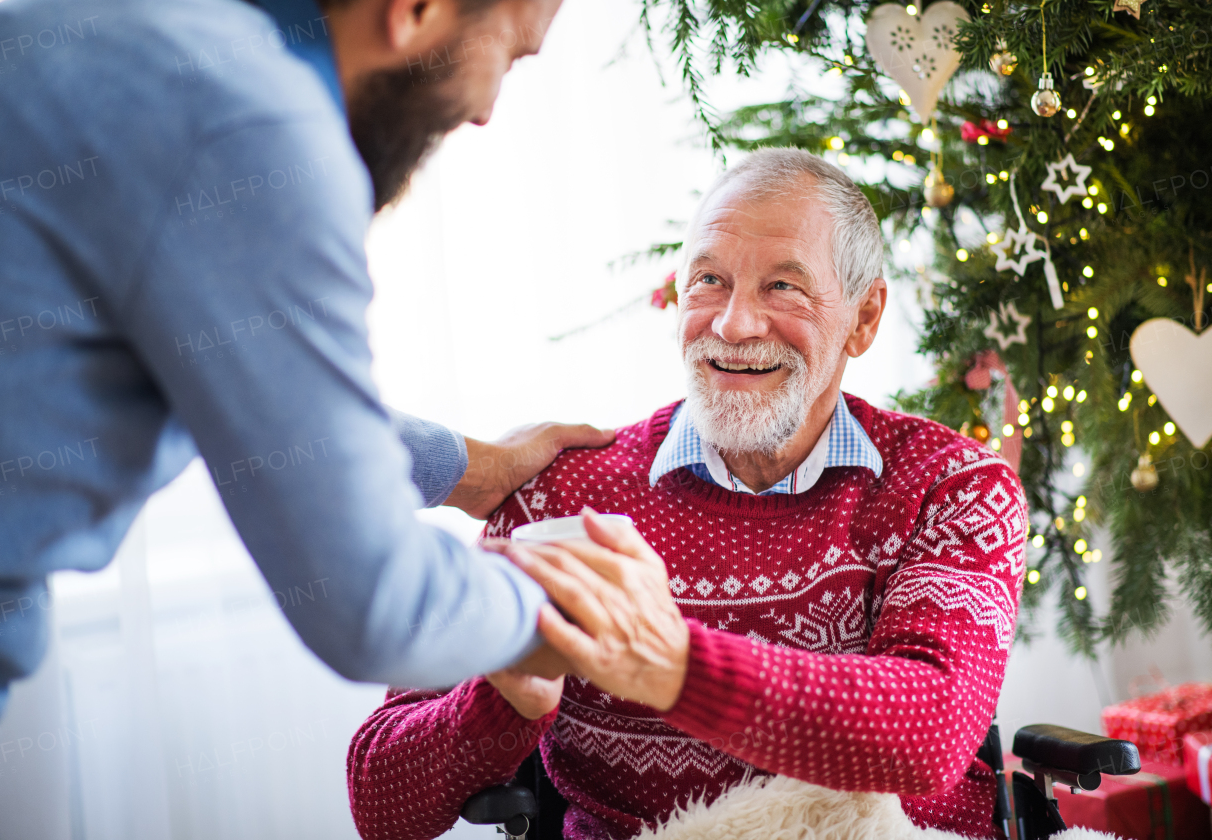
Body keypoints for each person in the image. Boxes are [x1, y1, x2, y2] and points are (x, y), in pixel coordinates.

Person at [346, 149, 1029, 840]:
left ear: (864, 316)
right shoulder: (559, 498)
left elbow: (933, 732)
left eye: (783, 288)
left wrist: (670, 665)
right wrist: (503, 701)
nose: (733, 325)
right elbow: (380, 803)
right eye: (710, 280)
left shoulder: (951, 485)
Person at [0, 0, 614, 733]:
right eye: (509, 57)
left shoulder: (155, 36)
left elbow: (269, 391)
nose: (484, 113)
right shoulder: (249, 127)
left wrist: (469, 470)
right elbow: (379, 606)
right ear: (416, 11)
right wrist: (576, 602)